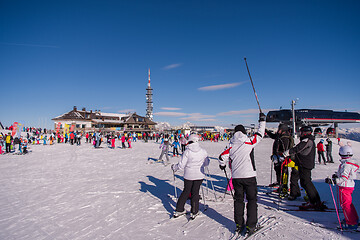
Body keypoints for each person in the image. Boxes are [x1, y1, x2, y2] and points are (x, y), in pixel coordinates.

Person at [218, 113, 266, 235]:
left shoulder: (231, 145)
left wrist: (222, 165)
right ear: (244, 132)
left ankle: (239, 224)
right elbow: (260, 134)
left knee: (238, 201)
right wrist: (262, 120)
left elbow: (222, 157)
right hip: (249, 176)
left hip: (237, 178)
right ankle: (251, 226)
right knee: (251, 200)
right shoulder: (249, 142)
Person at [284, 126, 327, 210]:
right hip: (304, 164)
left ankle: (314, 201)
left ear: (305, 132)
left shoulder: (307, 140)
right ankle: (315, 200)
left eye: (302, 132)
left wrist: (287, 153)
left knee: (306, 183)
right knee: (305, 182)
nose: (300, 134)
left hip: (305, 164)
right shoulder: (308, 140)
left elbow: (298, 148)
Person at [171, 134, 210, 219]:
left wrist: (174, 167)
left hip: (189, 175)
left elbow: (181, 166)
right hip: (199, 175)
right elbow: (206, 163)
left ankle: (179, 209)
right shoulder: (203, 151)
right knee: (195, 192)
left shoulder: (187, 151)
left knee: (186, 191)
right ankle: (194, 211)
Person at [325, 142, 359, 230]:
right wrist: (337, 176)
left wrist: (334, 181)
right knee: (349, 204)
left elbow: (344, 177)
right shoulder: (349, 163)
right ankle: (353, 219)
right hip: (349, 186)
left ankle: (351, 223)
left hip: (344, 187)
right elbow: (346, 175)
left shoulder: (345, 165)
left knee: (345, 205)